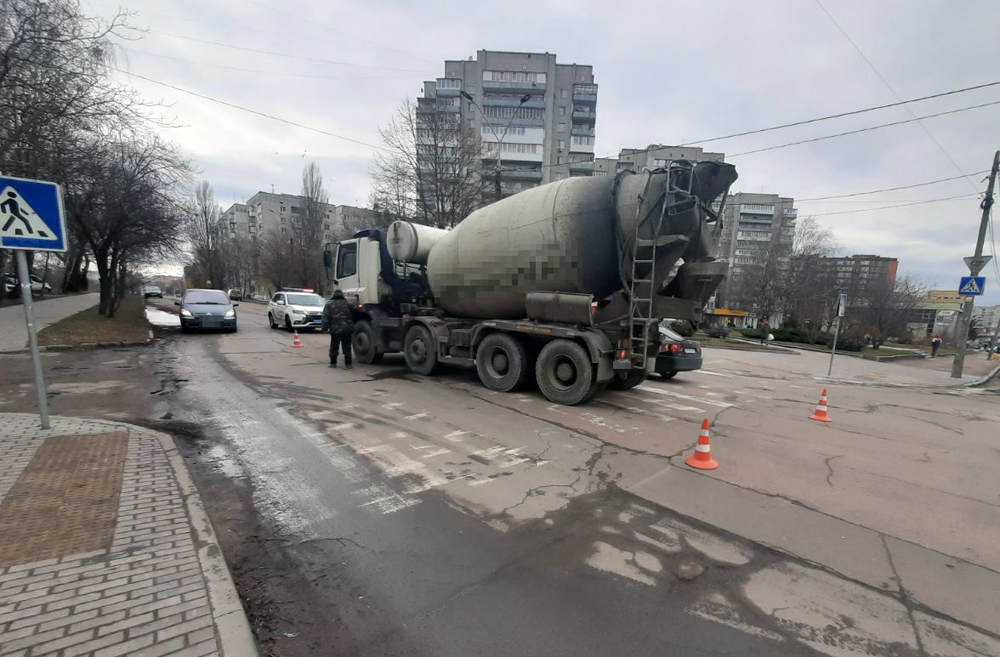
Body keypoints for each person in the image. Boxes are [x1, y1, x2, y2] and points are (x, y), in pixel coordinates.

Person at [322, 282, 354, 369]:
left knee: (334, 346)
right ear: (342, 295)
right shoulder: (348, 304)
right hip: (347, 329)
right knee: (347, 347)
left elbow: (325, 317)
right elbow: (355, 314)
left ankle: (333, 363)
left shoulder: (329, 304)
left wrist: (324, 328)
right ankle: (348, 364)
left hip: (335, 329)